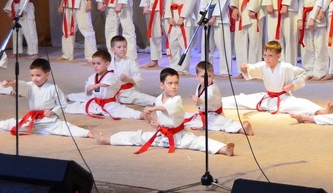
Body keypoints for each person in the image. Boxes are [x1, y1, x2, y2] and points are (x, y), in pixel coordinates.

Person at [96, 67, 234, 156]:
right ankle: (107, 139)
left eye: (176, 83)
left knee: (199, 142)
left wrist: (153, 108)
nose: (174, 86)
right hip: (162, 136)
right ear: (161, 85)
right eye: (170, 83)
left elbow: (168, 108)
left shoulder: (177, 99)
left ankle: (224, 149)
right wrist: (150, 119)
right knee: (137, 136)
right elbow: (158, 119)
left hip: (179, 136)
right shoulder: (158, 99)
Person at [0, 58, 93, 137]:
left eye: (38, 75)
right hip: (32, 119)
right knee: (11, 123)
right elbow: (22, 85)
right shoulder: (30, 85)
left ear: (47, 74)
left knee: (66, 128)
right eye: (32, 75)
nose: (35, 78)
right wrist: (11, 83)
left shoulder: (53, 88)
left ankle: (89, 134)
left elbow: (62, 104)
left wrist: (52, 112)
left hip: (48, 121)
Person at [222, 40, 331, 117]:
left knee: (301, 104)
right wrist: (245, 68)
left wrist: (291, 85)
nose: (267, 59)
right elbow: (252, 68)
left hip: (283, 99)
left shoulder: (285, 67)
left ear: (278, 56)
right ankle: (217, 102)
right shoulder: (263, 66)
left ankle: (322, 111)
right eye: (265, 55)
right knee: (241, 99)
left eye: (270, 56)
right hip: (267, 97)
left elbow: (302, 74)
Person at [63, 49, 142, 119]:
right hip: (95, 103)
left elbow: (107, 83)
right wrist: (89, 89)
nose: (95, 66)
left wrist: (96, 85)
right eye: (94, 64)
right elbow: (88, 94)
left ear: (107, 64)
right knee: (75, 107)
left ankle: (141, 115)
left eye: (98, 63)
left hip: (110, 104)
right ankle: (60, 104)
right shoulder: (92, 77)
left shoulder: (111, 76)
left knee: (124, 111)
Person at [184, 61, 253, 135]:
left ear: (213, 76)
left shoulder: (213, 88)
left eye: (209, 76)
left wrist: (200, 101)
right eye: (203, 76)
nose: (206, 79)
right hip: (203, 114)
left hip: (215, 115)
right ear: (197, 77)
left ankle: (242, 128)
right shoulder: (199, 86)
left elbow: (209, 97)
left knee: (223, 122)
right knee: (186, 116)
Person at [198, 0, 233, 76]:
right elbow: (203, 0)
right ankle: (206, 70)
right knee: (206, 46)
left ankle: (225, 71)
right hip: (207, 16)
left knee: (223, 45)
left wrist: (214, 16)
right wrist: (203, 16)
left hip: (220, 18)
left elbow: (223, 1)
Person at [297, 0, 328, 80]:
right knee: (307, 46)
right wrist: (300, 19)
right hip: (305, 16)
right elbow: (300, 3)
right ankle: (308, 70)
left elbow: (319, 2)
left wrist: (312, 18)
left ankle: (320, 71)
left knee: (320, 46)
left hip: (317, 19)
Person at [166, 0, 197, 74]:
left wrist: (182, 16)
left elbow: (190, 1)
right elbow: (168, 0)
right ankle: (174, 66)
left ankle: (183, 68)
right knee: (173, 43)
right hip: (172, 15)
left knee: (185, 44)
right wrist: (169, 16)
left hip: (184, 17)